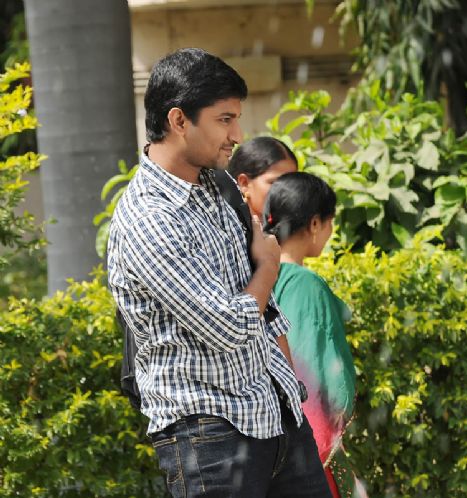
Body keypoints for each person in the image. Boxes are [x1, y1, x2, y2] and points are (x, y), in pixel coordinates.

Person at [107, 48, 331, 498]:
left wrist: (294, 402)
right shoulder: (148, 219)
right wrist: (269, 265)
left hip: (279, 418)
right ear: (179, 120)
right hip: (209, 437)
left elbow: (266, 315)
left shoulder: (219, 185)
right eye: (225, 120)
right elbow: (228, 326)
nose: (237, 135)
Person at [262, 172, 364, 498]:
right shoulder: (306, 285)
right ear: (315, 223)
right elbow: (316, 374)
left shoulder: (257, 274)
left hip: (261, 443)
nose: (330, 232)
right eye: (330, 222)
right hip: (303, 450)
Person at [228, 136, 299, 217]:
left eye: (293, 183)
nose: (289, 191)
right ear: (245, 183)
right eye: (276, 183)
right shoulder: (224, 222)